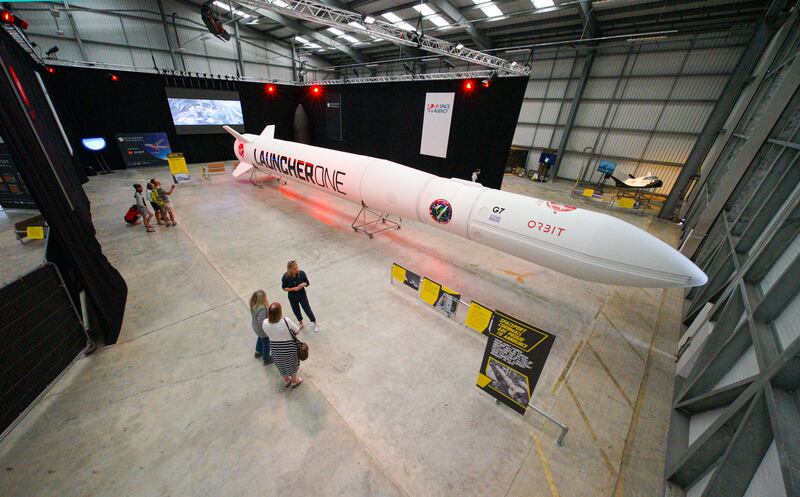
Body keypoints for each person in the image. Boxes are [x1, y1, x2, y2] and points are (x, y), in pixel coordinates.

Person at [262, 302, 303, 388]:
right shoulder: (286, 321)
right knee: (292, 364)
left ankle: (286, 380)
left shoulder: (265, 322)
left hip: (275, 348)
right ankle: (295, 381)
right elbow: (297, 330)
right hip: (289, 347)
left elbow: (266, 333)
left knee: (280, 364)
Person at [282, 260, 319, 332]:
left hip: (302, 295)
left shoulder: (301, 273)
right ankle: (301, 323)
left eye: (297, 267)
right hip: (292, 297)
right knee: (296, 310)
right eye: (295, 269)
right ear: (290, 270)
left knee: (307, 309)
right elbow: (284, 288)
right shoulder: (286, 277)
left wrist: (303, 284)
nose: (297, 270)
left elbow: (307, 283)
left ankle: (314, 322)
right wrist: (293, 289)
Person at [250, 290, 272, 365]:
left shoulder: (253, 304)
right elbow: (262, 321)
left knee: (260, 337)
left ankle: (258, 351)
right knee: (266, 343)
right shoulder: (262, 308)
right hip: (262, 329)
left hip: (255, 327)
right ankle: (266, 359)